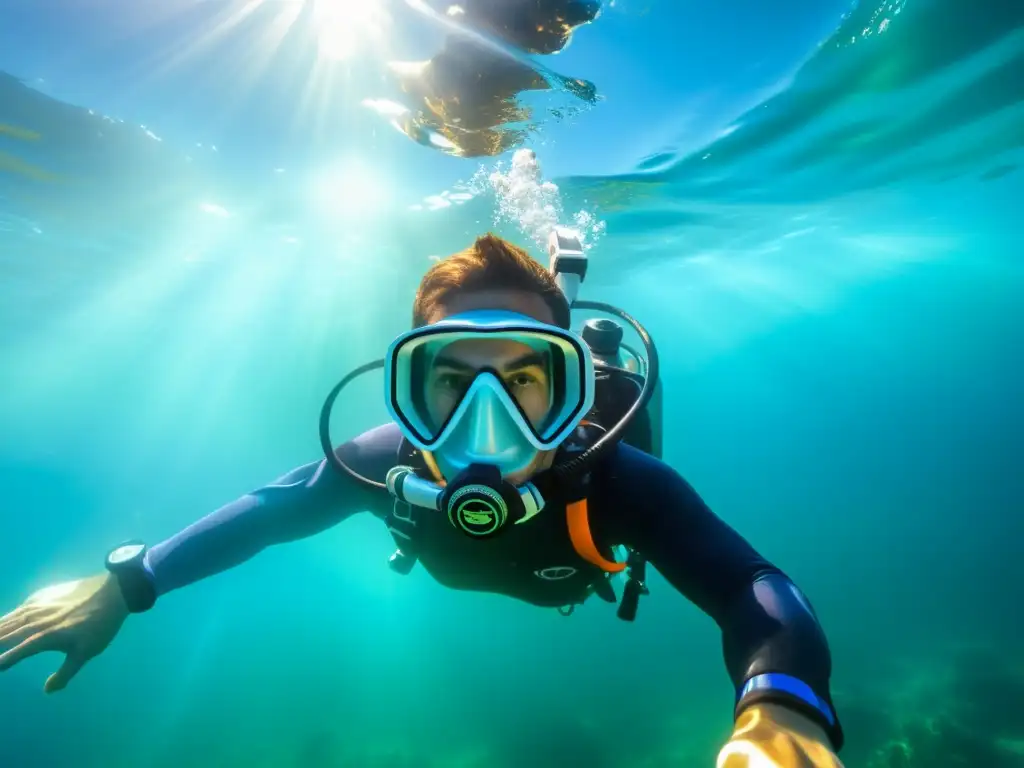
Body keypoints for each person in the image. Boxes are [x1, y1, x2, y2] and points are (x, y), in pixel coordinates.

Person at [0, 231, 845, 768]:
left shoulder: (619, 480)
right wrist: (126, 584)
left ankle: (579, 323)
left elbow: (750, 588)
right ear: (407, 391)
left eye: (524, 381)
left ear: (573, 397)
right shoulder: (381, 462)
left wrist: (781, 711)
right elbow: (268, 508)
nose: (488, 424)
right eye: (450, 382)